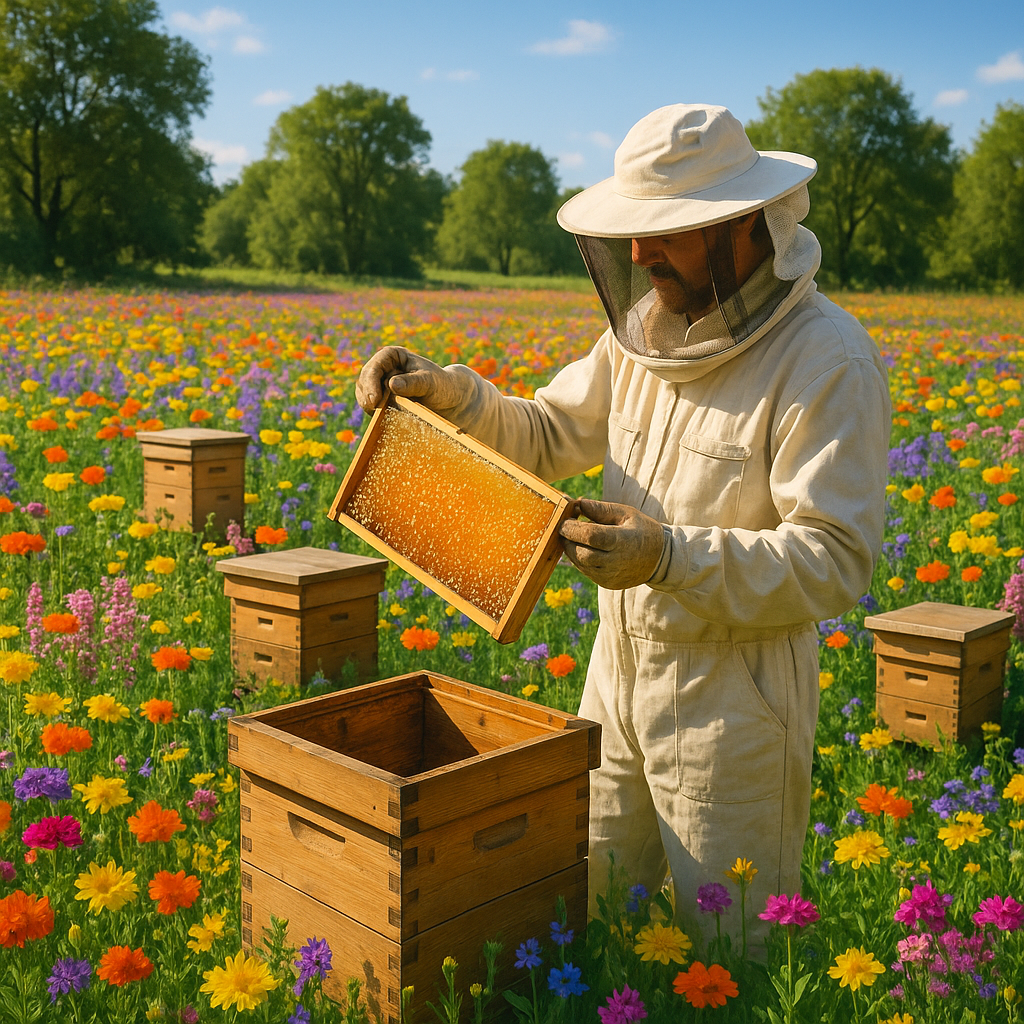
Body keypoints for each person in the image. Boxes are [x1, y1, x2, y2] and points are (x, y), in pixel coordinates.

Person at [356, 104, 891, 953]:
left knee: (729, 948)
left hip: (735, 697)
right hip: (615, 673)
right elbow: (545, 433)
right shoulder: (641, 339)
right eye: (633, 236)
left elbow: (834, 558)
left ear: (744, 225)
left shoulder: (826, 361)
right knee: (597, 907)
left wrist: (669, 555)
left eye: (666, 234)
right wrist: (448, 393)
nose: (641, 257)